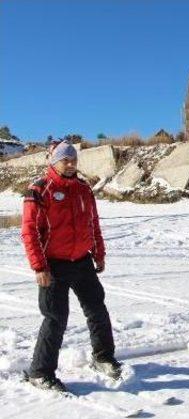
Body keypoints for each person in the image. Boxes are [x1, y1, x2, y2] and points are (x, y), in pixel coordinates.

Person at [21, 140, 121, 392]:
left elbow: (93, 222)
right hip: (53, 264)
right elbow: (29, 231)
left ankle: (103, 358)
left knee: (97, 309)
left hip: (82, 260)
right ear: (54, 162)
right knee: (55, 318)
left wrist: (99, 253)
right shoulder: (39, 189)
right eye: (65, 160)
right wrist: (39, 267)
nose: (70, 164)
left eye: (73, 159)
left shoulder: (83, 188)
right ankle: (40, 372)